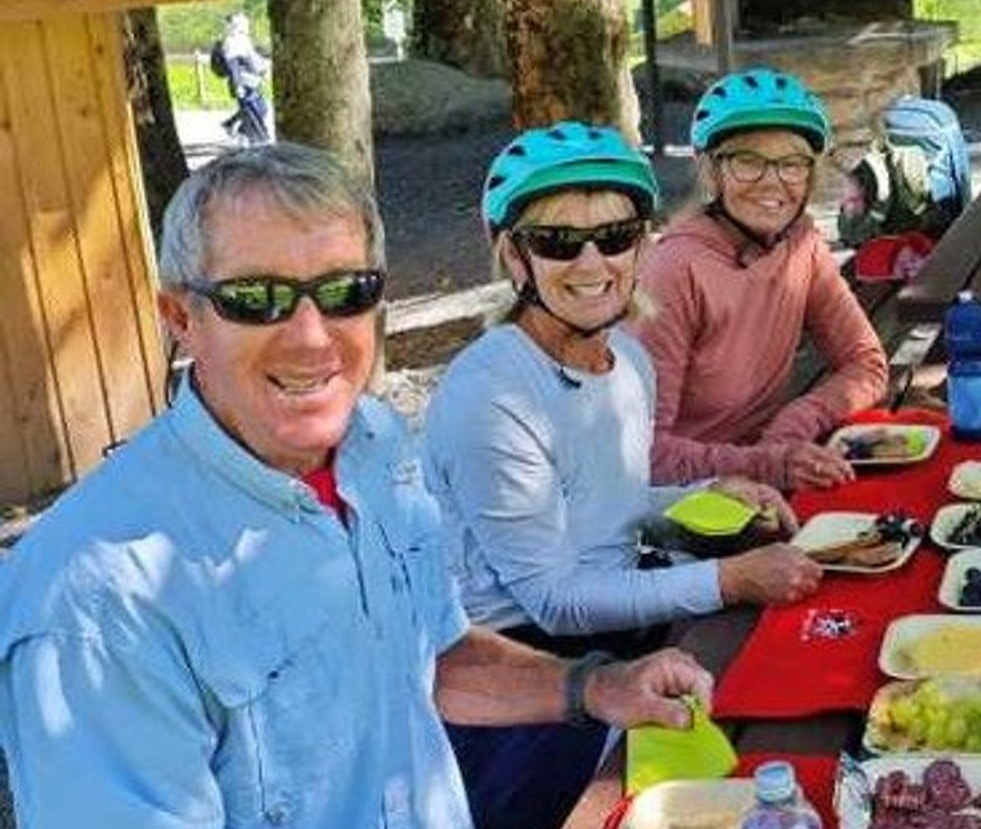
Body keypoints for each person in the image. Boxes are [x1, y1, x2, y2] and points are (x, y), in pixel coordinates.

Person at [0, 144, 712, 827]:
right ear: (182, 318)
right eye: (257, 298)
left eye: (345, 291)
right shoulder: (96, 601)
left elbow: (431, 659)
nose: (312, 338)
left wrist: (594, 687)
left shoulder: (373, 443)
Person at [425, 122, 823, 828]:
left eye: (614, 236)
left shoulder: (627, 361)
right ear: (514, 258)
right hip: (524, 681)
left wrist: (703, 498)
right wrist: (730, 578)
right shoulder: (493, 393)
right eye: (556, 241)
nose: (590, 262)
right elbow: (553, 599)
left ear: (642, 245)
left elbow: (606, 506)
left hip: (622, 638)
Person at [633, 68, 889, 489]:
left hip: (768, 469)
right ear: (714, 171)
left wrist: (790, 427)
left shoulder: (801, 242)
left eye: (792, 164)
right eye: (748, 161)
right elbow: (643, 454)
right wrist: (767, 463)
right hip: (687, 499)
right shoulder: (674, 270)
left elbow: (867, 363)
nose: (773, 182)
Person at [216, 12, 272, 145]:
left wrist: (262, 69)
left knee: (259, 108)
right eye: (243, 23)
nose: (247, 25)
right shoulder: (232, 41)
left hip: (252, 81)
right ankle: (260, 139)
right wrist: (238, 86)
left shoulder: (242, 39)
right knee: (253, 110)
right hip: (245, 83)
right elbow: (233, 66)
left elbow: (252, 59)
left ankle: (238, 130)